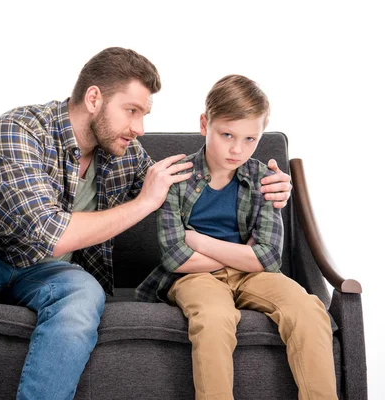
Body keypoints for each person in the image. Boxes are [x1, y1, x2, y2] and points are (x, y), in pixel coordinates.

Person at [0, 49, 293, 400]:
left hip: (46, 274)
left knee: (85, 292)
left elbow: (184, 189)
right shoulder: (19, 131)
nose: (139, 127)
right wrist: (145, 201)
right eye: (131, 111)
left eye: (144, 114)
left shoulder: (122, 153)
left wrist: (270, 187)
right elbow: (50, 234)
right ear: (94, 99)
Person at [135, 74, 336, 399]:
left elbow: (270, 258)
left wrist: (200, 242)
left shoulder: (265, 179)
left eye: (249, 139)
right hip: (195, 276)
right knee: (215, 317)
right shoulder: (176, 177)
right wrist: (245, 254)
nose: (236, 149)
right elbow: (176, 258)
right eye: (226, 134)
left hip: (253, 275)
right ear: (205, 124)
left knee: (309, 310)